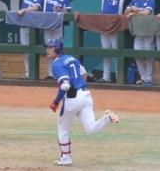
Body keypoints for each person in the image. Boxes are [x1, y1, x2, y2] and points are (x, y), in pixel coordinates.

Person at [45, 38, 120, 167]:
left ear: (57, 49)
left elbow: (65, 85)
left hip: (72, 97)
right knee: (90, 129)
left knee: (62, 127)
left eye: (51, 47)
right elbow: (84, 74)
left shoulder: (57, 64)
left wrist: (56, 101)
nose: (47, 49)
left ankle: (66, 158)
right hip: (85, 96)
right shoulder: (71, 58)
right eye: (47, 46)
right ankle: (107, 118)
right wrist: (79, 85)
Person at [94, 0, 130, 83]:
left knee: (117, 53)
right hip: (104, 25)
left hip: (116, 25)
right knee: (106, 53)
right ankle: (106, 77)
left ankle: (119, 77)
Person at [39, 0, 72, 81]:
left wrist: (60, 10)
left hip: (58, 26)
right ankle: (50, 73)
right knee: (49, 50)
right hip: (47, 25)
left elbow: (68, 11)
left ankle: (59, 73)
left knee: (57, 50)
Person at [16, 0, 44, 80]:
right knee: (25, 50)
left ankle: (34, 72)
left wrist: (24, 10)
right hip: (23, 24)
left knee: (33, 49)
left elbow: (36, 8)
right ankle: (28, 72)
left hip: (33, 26)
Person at [124, 0, 156, 86]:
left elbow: (147, 13)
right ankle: (143, 77)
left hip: (149, 32)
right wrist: (131, 9)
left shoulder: (151, 1)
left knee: (149, 55)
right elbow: (125, 12)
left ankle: (149, 79)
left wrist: (134, 13)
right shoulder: (135, 1)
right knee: (137, 54)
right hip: (138, 33)